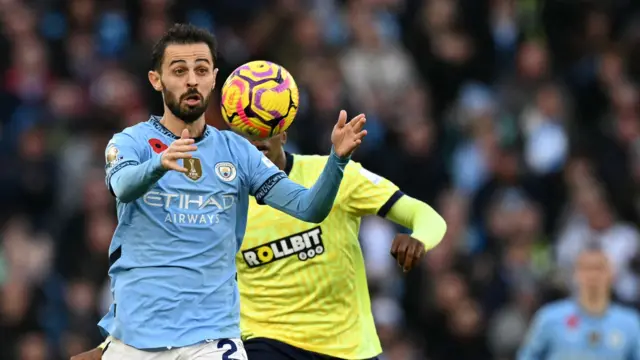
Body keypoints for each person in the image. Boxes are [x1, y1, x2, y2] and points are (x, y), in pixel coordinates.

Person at [81, 23, 366, 360]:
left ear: (214, 79)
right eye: (179, 70)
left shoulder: (238, 151)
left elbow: (308, 208)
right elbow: (123, 187)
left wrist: (337, 160)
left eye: (201, 70)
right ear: (156, 80)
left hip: (212, 338)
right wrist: (159, 164)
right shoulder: (131, 141)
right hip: (136, 337)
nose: (191, 80)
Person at [237, 133, 447, 359]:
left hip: (348, 346)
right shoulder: (220, 200)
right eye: (245, 129)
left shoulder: (335, 174)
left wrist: (419, 239)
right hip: (267, 342)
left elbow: (424, 215)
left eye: (266, 125)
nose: (256, 135)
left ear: (284, 134)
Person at [517, 247, 640, 360]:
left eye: (599, 268)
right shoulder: (549, 318)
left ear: (612, 274)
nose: (593, 275)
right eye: (586, 268)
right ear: (575, 274)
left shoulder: (630, 323)